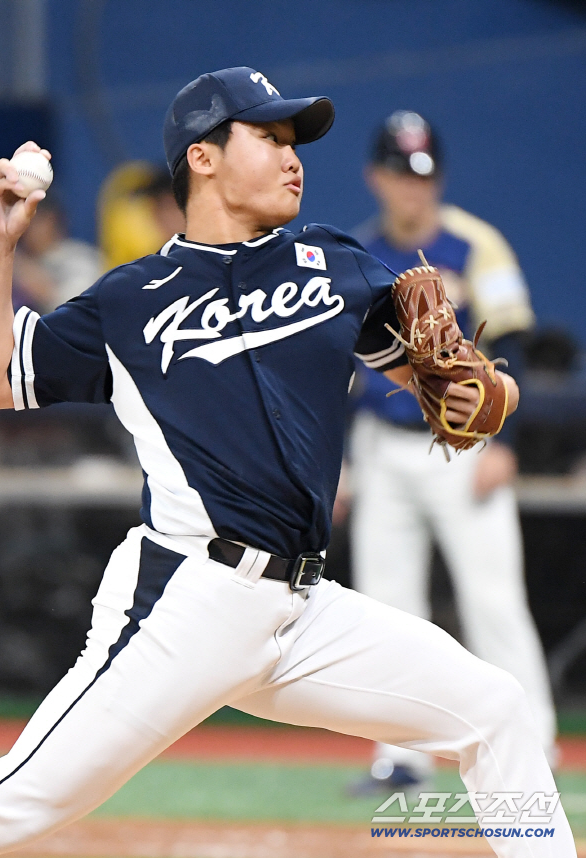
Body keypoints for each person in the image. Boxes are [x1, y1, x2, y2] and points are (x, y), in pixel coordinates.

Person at [0, 68, 573, 858]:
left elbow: (459, 384)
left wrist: (489, 396)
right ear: (203, 158)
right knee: (14, 805)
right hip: (186, 601)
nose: (294, 157)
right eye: (270, 137)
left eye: (296, 141)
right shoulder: (131, 301)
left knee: (497, 710)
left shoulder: (334, 264)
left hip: (304, 611)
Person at [345, 110, 557, 793]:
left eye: (426, 173)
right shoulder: (359, 252)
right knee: (388, 607)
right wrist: (342, 458)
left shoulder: (476, 245)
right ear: (376, 177)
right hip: (382, 447)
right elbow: (343, 370)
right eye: (404, 174)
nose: (417, 188)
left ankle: (535, 749)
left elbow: (517, 345)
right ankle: (402, 758)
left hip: (467, 451)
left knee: (493, 601)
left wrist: (509, 445)